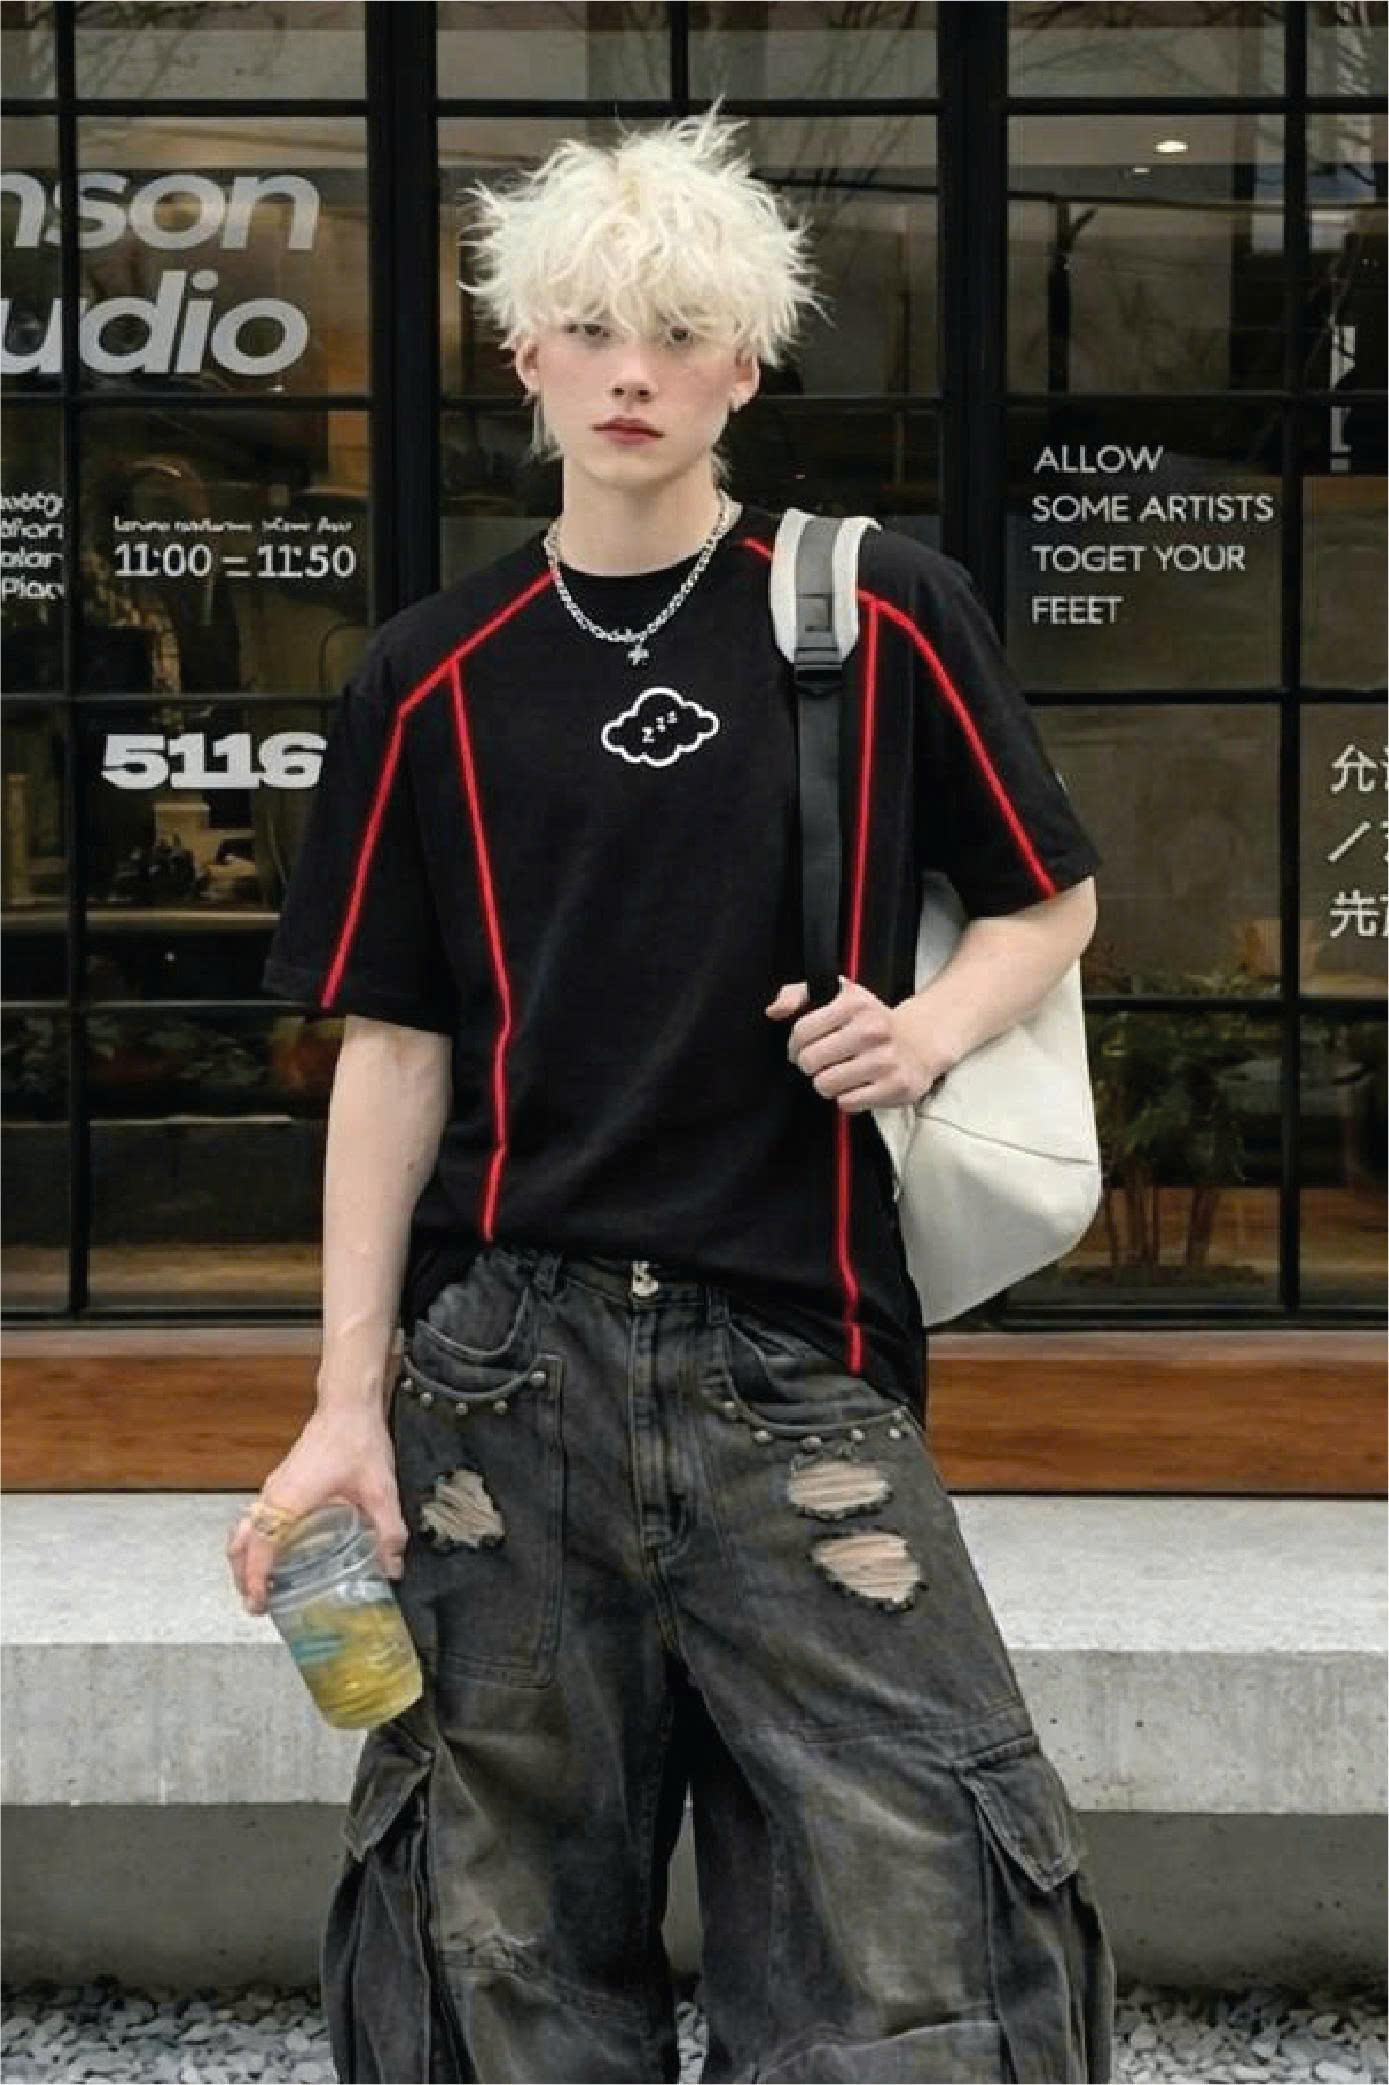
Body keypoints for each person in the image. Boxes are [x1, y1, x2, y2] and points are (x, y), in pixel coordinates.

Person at [227, 108, 1116, 2085]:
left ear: (744, 367)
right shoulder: (427, 675)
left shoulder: (877, 613)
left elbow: (1046, 900)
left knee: (913, 1907)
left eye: (680, 333)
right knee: (496, 1927)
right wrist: (341, 1404)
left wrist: (924, 1027)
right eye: (593, 330)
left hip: (793, 1348)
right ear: (522, 353)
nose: (632, 371)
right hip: (500, 1364)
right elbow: (392, 1051)